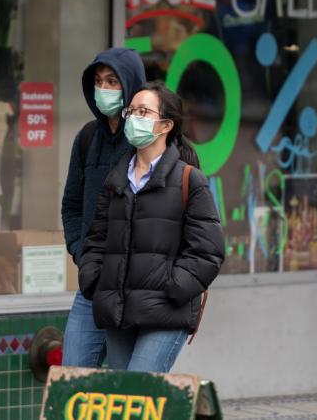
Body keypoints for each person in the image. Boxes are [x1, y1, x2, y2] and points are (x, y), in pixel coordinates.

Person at [78, 81, 225, 372]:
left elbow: (209, 251)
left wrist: (173, 288)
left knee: (140, 396)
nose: (134, 119)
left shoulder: (188, 180)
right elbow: (96, 241)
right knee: (126, 402)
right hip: (119, 312)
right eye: (130, 112)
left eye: (144, 112)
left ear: (165, 125)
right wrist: (95, 281)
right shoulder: (117, 180)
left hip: (165, 313)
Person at [61, 48, 146, 368]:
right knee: (72, 381)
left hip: (134, 288)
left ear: (131, 85)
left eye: (113, 81)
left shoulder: (145, 139)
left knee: (127, 392)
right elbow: (71, 205)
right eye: (98, 81)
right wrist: (82, 254)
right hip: (92, 286)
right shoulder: (86, 138)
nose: (104, 89)